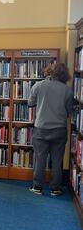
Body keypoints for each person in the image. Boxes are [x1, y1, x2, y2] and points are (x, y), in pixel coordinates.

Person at [28, 63, 73, 196]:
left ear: (48, 71)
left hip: (41, 128)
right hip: (59, 129)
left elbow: (30, 103)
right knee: (57, 159)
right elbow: (69, 111)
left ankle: (37, 187)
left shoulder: (38, 85)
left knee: (40, 159)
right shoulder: (67, 90)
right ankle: (55, 188)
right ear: (64, 75)